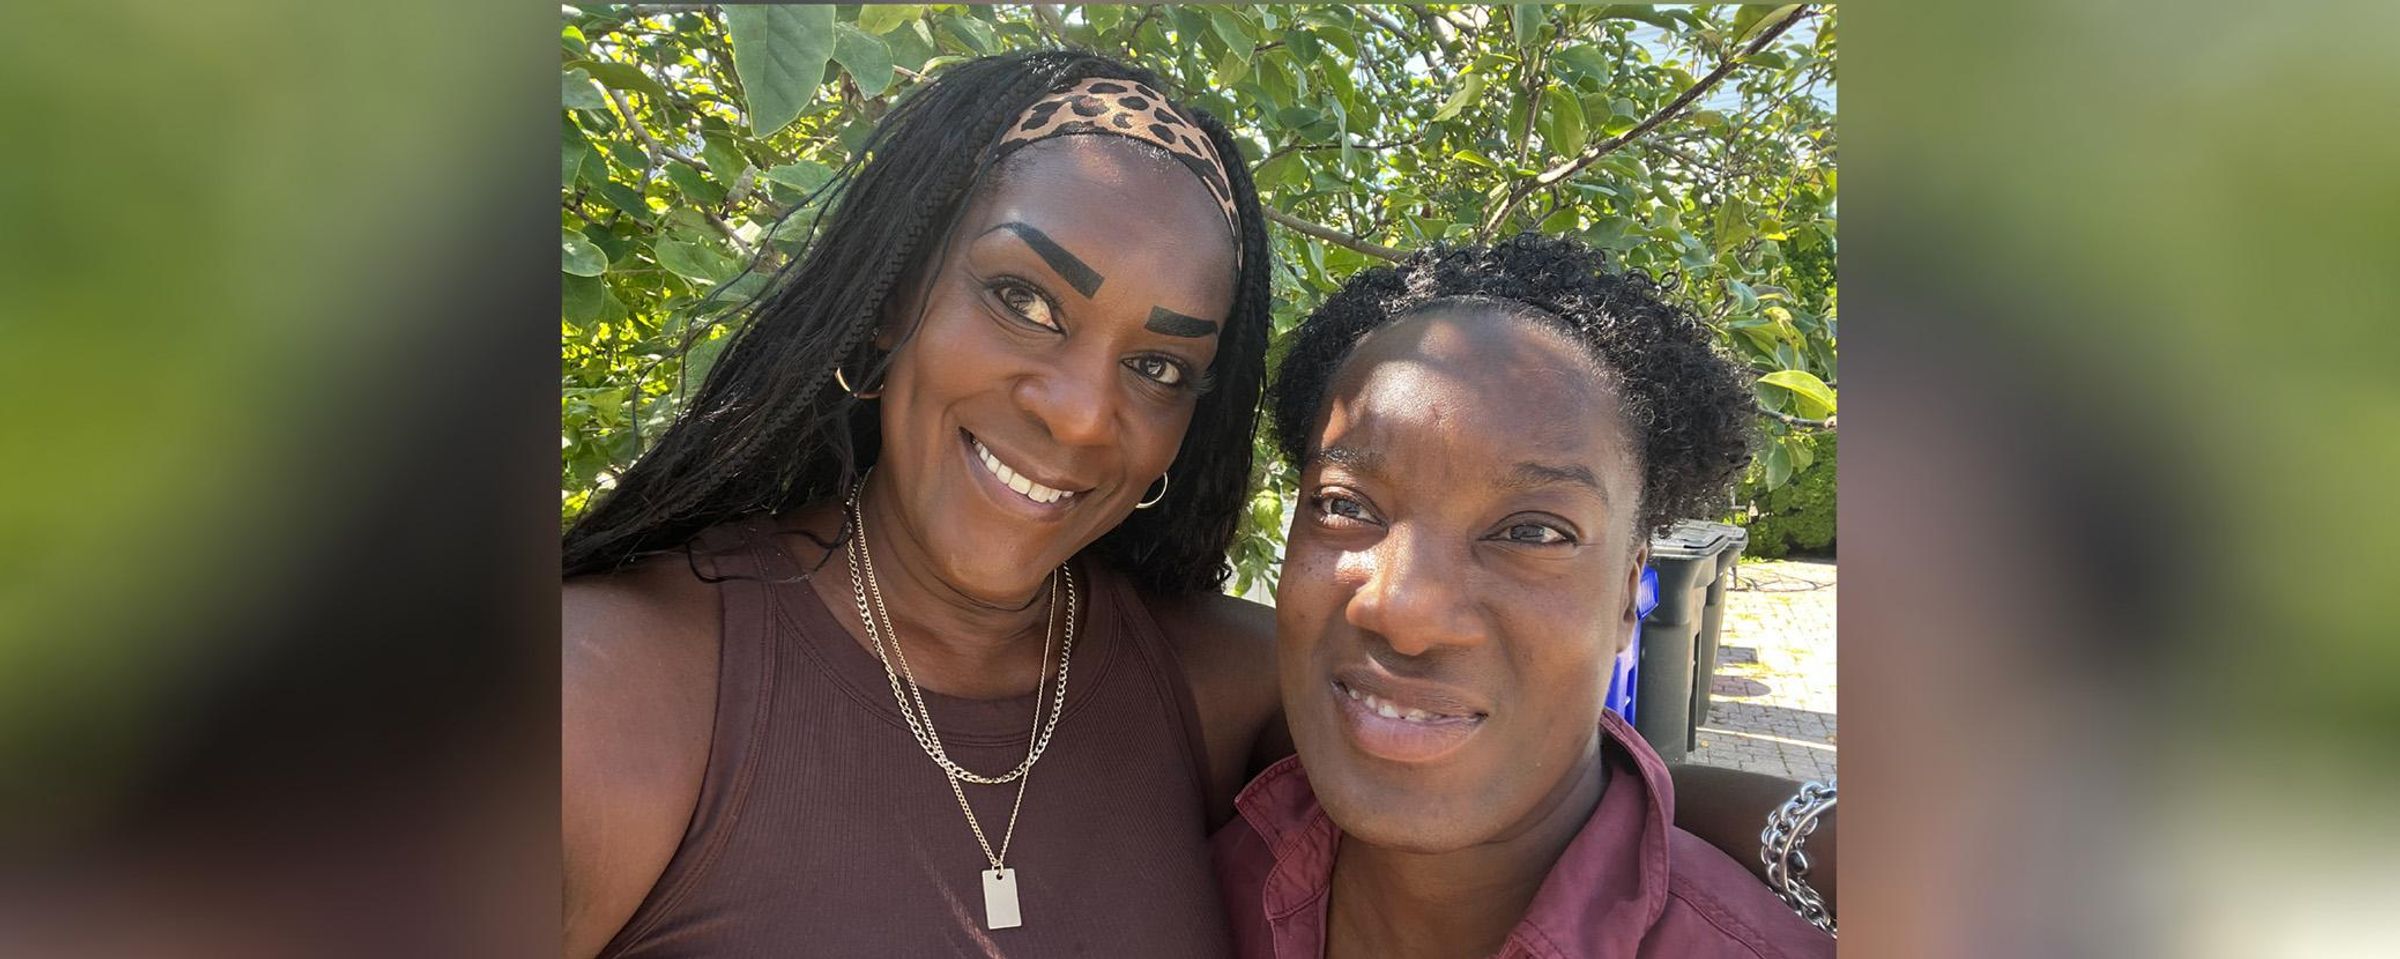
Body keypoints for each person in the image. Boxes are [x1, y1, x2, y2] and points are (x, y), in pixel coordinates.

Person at [562, 50, 1284, 956]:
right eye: (1023, 299)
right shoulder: (607, 696)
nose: (1081, 414)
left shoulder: (1232, 693)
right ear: (894, 299)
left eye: (1157, 367)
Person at [1214, 235, 1837, 958]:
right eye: (1347, 506)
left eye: (1533, 531)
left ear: (1630, 597)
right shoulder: (1180, 885)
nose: (1405, 609)